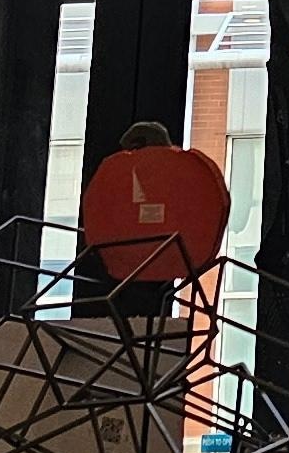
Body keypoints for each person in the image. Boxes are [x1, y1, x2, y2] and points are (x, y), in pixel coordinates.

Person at [80, 115, 229, 321]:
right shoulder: (191, 167)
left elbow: (100, 211)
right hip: (175, 258)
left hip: (130, 263)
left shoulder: (117, 169)